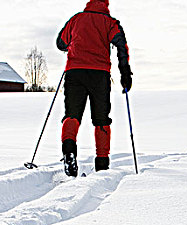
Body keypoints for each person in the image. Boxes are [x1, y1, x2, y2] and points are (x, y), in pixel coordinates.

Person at [56, 0, 132, 177]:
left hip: (74, 72)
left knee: (72, 115)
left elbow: (61, 43)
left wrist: (73, 45)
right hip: (99, 75)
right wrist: (125, 74)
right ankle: (102, 164)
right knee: (101, 119)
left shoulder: (76, 19)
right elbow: (121, 46)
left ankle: (69, 151)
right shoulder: (110, 22)